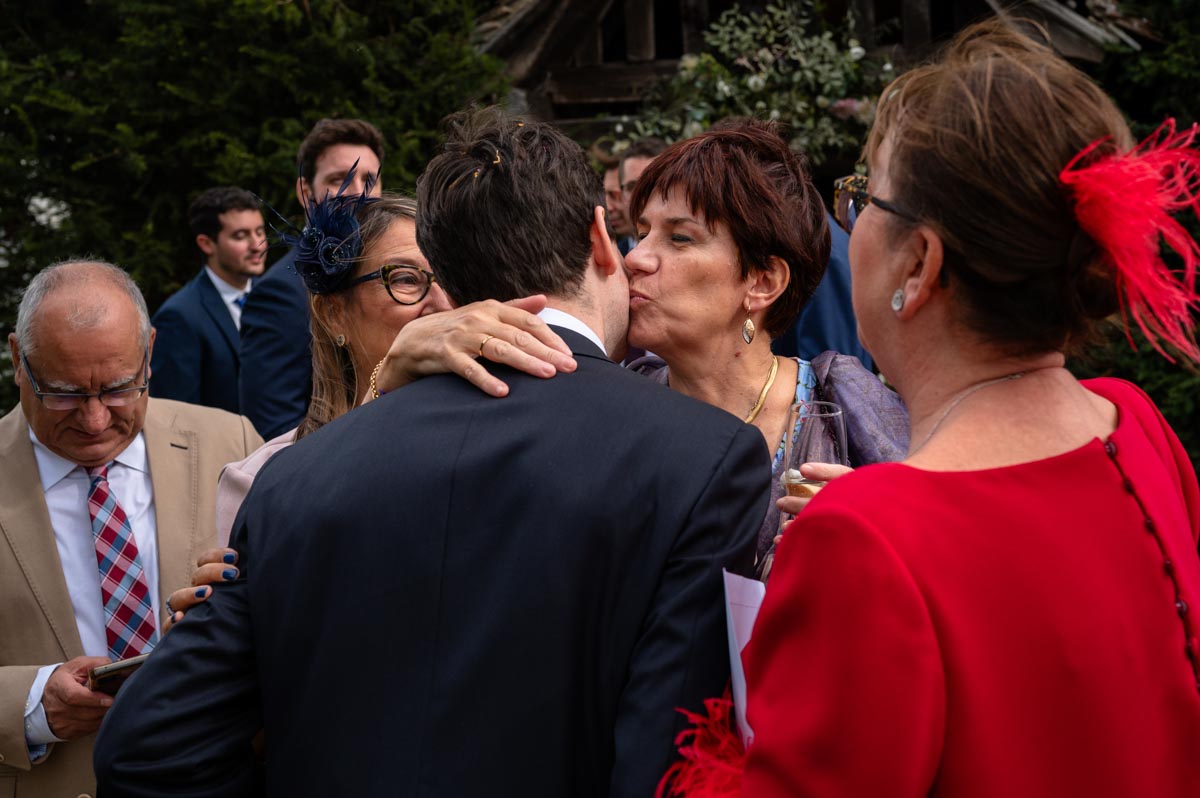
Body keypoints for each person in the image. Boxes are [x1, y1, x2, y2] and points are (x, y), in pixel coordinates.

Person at [94, 107, 769, 798]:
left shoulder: (298, 476)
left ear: (445, 272)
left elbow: (146, 746)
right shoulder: (703, 458)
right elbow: (668, 768)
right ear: (602, 239)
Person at [737, 20, 1200, 796]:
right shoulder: (1134, 424)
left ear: (919, 266)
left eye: (862, 199)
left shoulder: (858, 541)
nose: (850, 225)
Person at [0, 260, 261, 798]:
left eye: (120, 388)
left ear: (150, 351)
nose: (95, 420)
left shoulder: (232, 443)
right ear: (17, 362)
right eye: (64, 393)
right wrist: (27, 703)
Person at [624, 119, 908, 565]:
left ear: (762, 282)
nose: (635, 258)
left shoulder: (844, 408)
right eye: (642, 234)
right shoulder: (623, 400)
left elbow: (956, 556)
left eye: (679, 238)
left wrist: (879, 531)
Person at [238, 117, 385, 439]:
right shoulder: (280, 293)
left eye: (369, 179)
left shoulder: (394, 277)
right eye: (339, 179)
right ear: (305, 191)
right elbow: (273, 427)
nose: (358, 192)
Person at [150, 186, 267, 412]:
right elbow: (178, 414)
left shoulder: (273, 297)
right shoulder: (179, 317)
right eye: (240, 236)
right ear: (206, 243)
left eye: (260, 232)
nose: (257, 246)